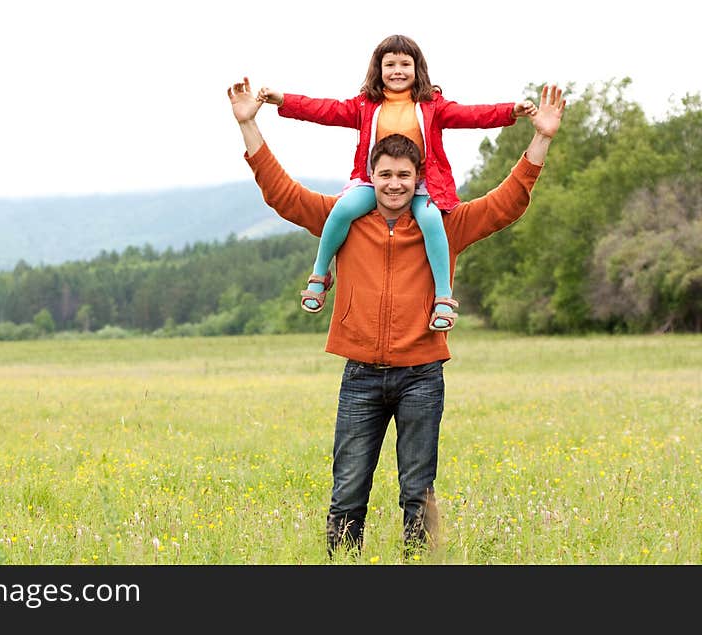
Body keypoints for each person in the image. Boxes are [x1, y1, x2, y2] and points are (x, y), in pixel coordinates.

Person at [227, 76, 565, 557]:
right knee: (346, 492)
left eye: (404, 175)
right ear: (371, 175)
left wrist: (542, 138)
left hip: (421, 376)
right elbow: (282, 193)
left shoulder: (445, 225)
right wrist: (249, 127)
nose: (393, 184)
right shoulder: (345, 219)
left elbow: (506, 203)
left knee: (417, 492)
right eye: (384, 175)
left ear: (418, 178)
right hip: (360, 375)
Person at [257, 35, 536, 330]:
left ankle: (443, 296)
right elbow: (325, 110)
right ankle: (320, 275)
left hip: (423, 184)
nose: (397, 71)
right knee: (341, 210)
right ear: (379, 69)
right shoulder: (366, 105)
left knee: (431, 220)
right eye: (390, 64)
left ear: (418, 69)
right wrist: (284, 100)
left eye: (405, 63)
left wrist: (510, 111)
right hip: (373, 180)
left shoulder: (432, 106)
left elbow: (472, 115)